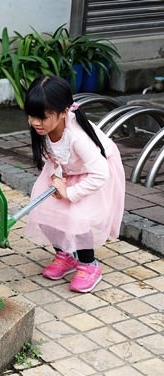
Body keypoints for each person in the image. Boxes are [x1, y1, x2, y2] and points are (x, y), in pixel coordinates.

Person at [24, 75, 125, 293]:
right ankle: (65, 254)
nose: (35, 122)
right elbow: (50, 156)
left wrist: (70, 193)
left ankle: (89, 265)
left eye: (42, 117)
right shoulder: (43, 128)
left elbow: (101, 174)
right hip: (65, 171)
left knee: (78, 217)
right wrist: (56, 180)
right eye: (31, 116)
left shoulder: (77, 137)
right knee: (42, 208)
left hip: (93, 174)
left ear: (63, 112)